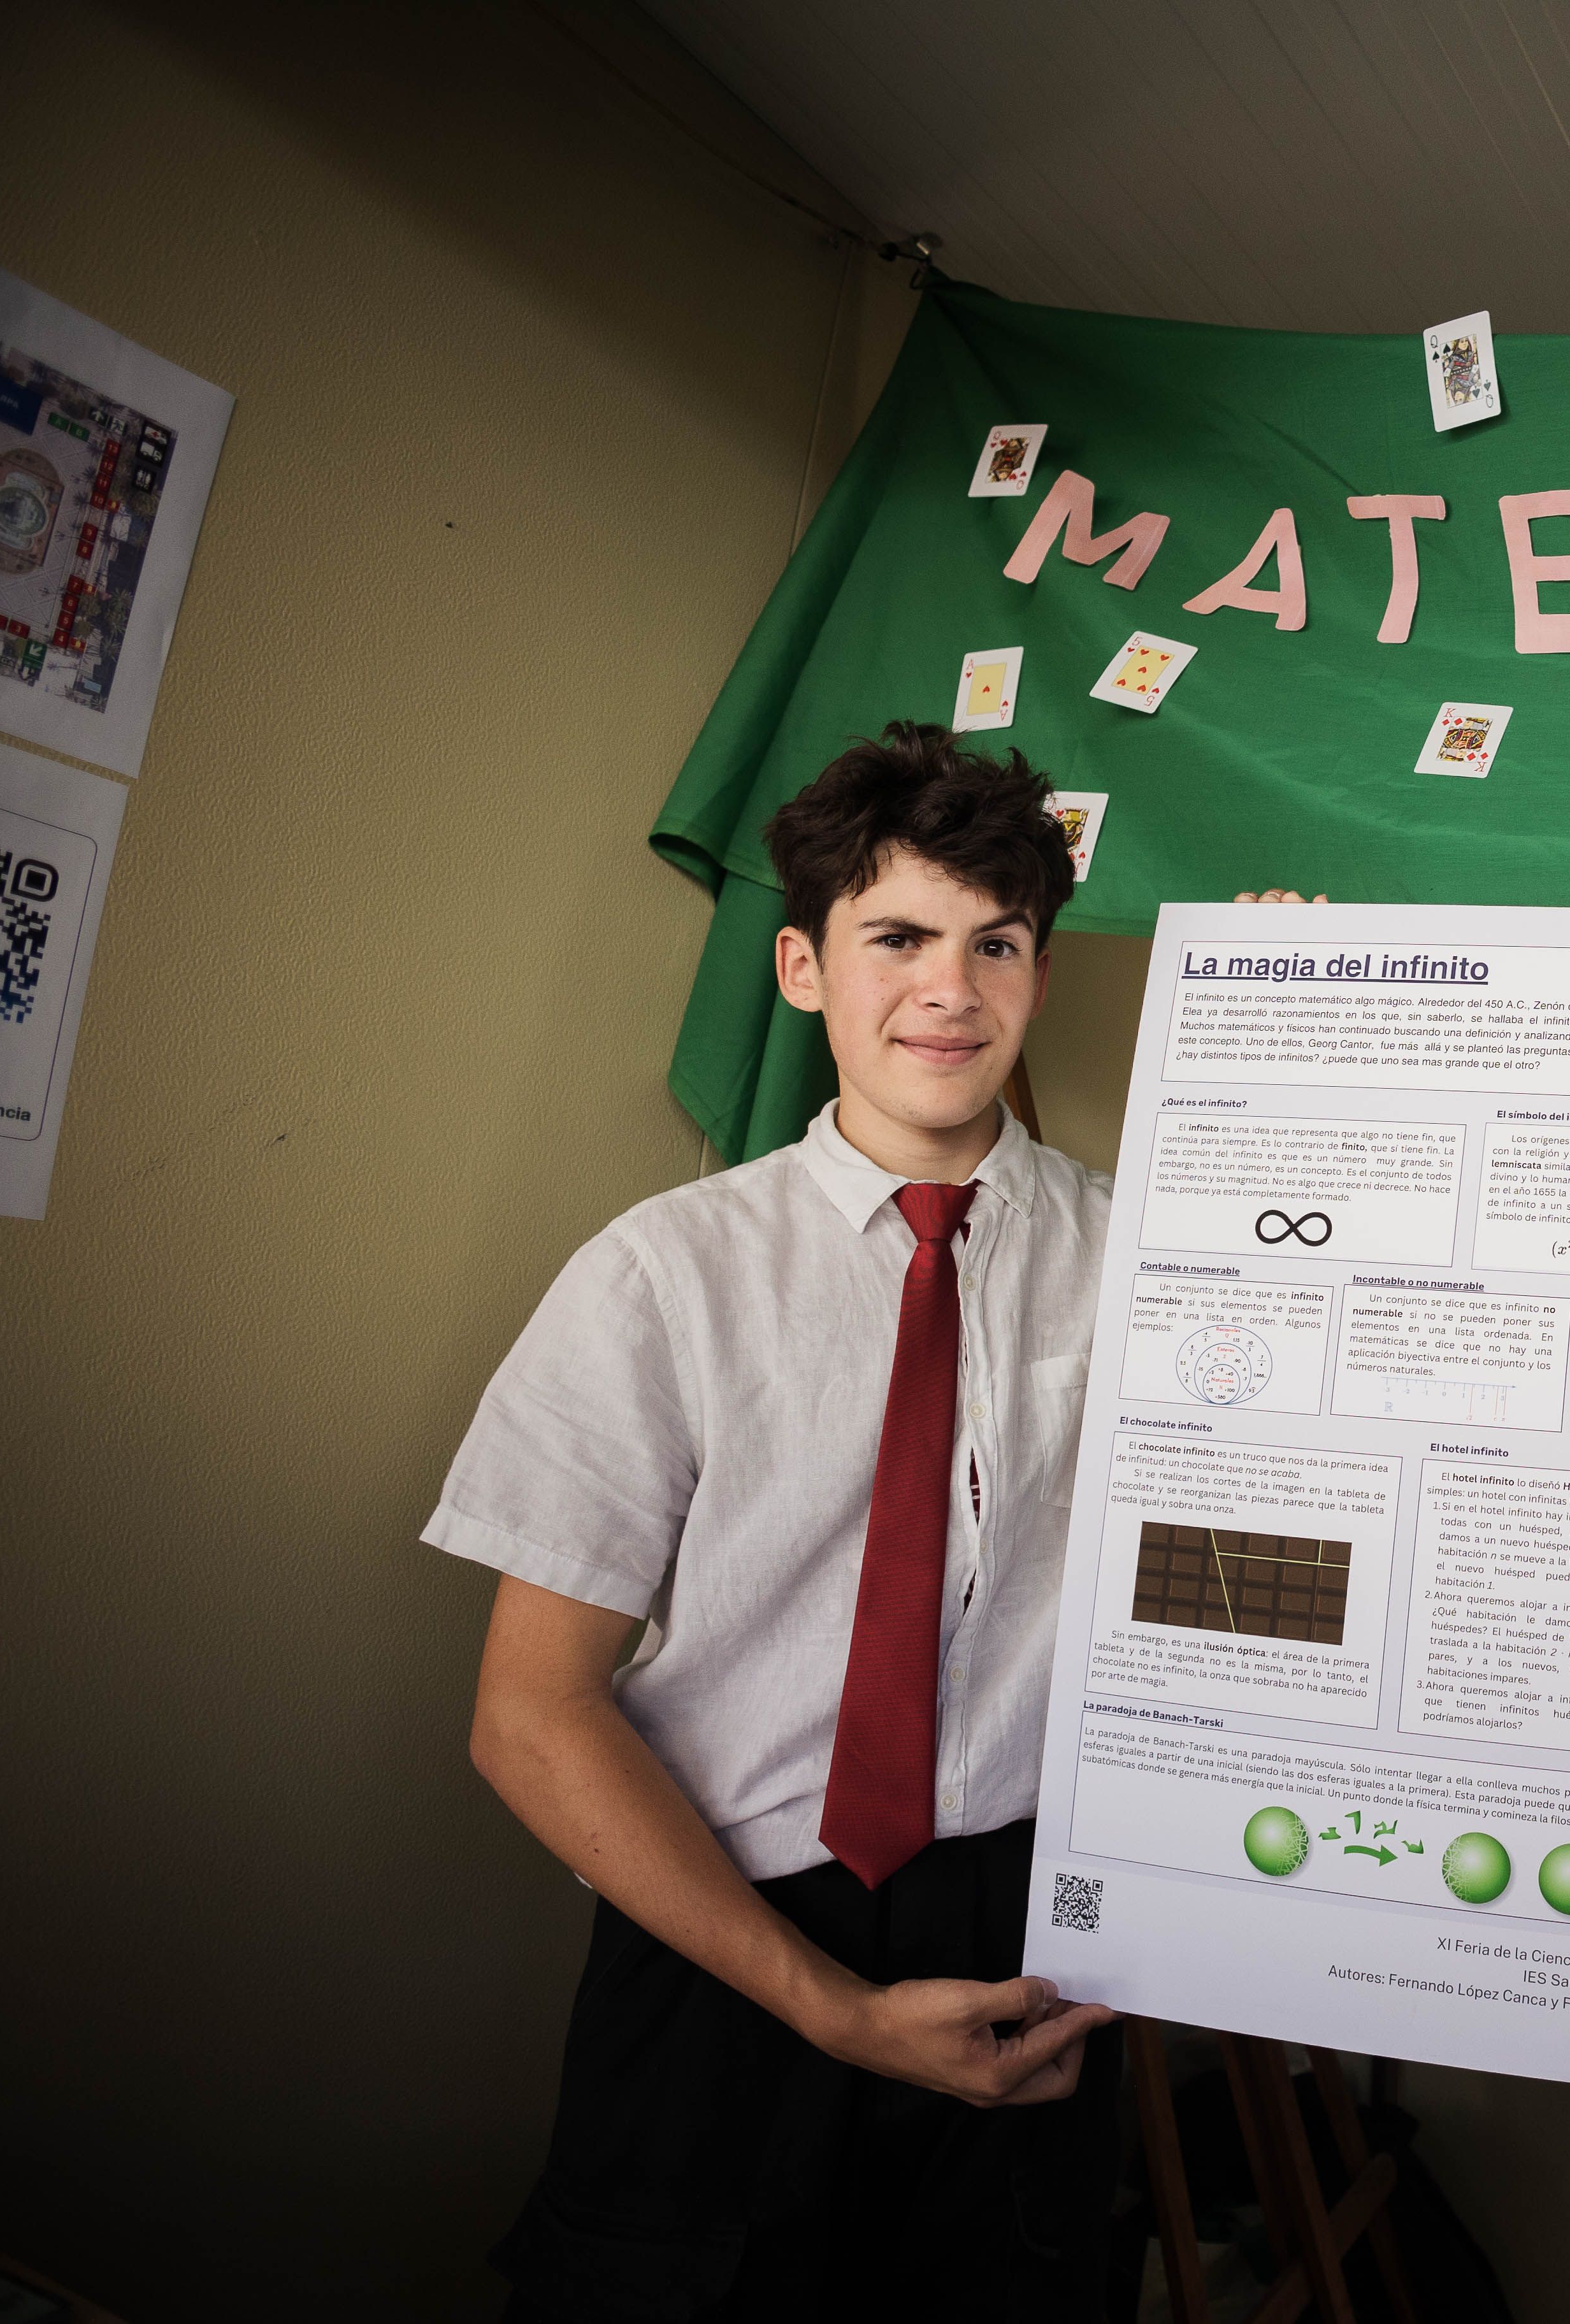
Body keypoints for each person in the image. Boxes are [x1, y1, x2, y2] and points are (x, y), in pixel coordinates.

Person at [431, 721, 1121, 2320]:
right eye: (896, 937)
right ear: (803, 966)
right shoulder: (658, 1277)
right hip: (727, 1936)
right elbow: (528, 1715)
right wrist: (829, 2010)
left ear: (1035, 968)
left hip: (1027, 1933)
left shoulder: (1151, 1251)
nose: (948, 991)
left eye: (994, 942)